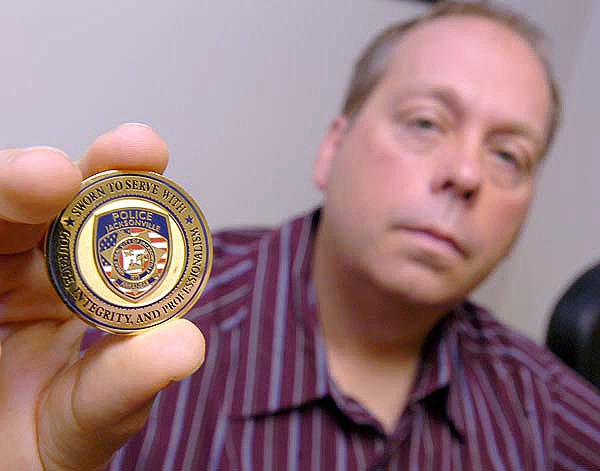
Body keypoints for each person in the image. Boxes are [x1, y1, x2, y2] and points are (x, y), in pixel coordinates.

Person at [1, 1, 599, 470]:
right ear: (332, 148)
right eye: (425, 122)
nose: (467, 174)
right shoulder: (94, 342)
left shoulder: (552, 411)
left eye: (509, 156)